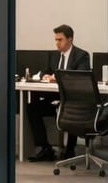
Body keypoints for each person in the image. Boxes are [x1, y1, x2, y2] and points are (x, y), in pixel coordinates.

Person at [27, 24, 90, 162]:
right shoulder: (54, 56)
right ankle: (44, 147)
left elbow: (80, 76)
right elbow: (47, 70)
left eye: (60, 40)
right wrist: (43, 76)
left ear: (70, 39)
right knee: (32, 108)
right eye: (55, 40)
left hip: (73, 99)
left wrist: (57, 78)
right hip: (56, 98)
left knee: (70, 107)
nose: (57, 43)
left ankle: (70, 148)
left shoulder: (81, 55)